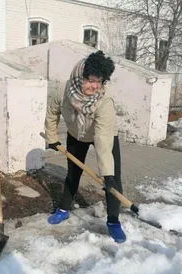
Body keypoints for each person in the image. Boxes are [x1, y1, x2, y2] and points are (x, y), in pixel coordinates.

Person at [44, 50, 126, 243]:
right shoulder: (63, 89)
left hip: (105, 134)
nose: (95, 86)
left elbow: (102, 140)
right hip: (76, 134)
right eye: (90, 80)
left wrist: (106, 175)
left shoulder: (104, 101)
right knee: (73, 172)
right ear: (79, 76)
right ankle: (63, 209)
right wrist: (52, 137)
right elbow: (52, 112)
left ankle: (113, 221)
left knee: (113, 178)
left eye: (99, 81)